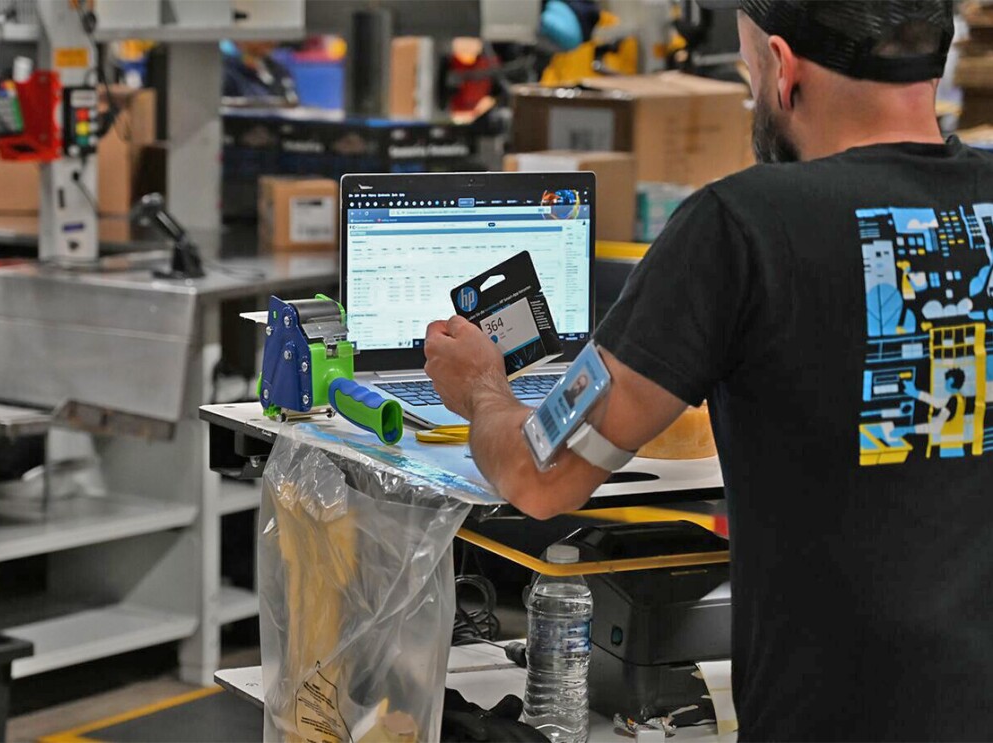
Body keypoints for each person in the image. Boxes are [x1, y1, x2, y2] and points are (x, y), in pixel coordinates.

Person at [424, 1, 993, 739]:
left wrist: (481, 388)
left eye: (747, 69)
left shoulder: (744, 226)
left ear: (783, 70)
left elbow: (541, 474)